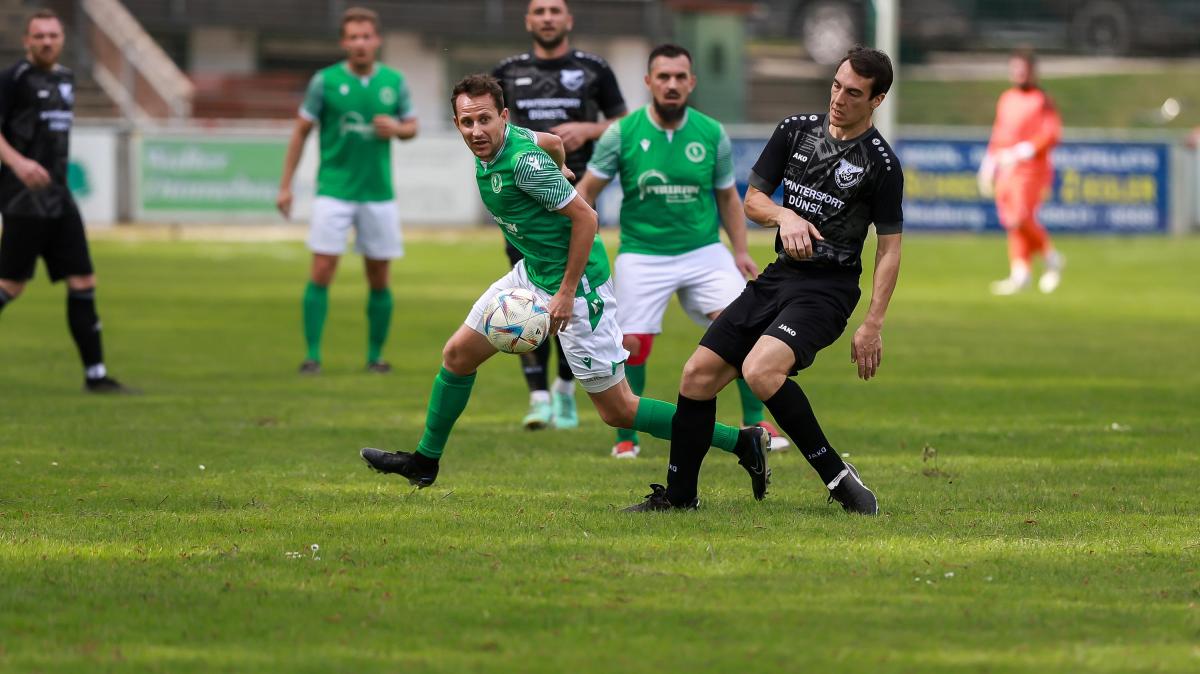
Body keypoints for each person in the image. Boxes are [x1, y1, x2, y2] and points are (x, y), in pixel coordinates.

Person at [360, 75, 770, 498]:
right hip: (533, 271)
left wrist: (567, 293)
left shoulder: (522, 163)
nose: (477, 131)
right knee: (457, 354)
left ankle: (741, 442)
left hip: (579, 287)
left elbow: (587, 218)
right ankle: (425, 461)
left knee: (618, 410)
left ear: (503, 117)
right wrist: (559, 163)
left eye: (485, 120)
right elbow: (554, 140)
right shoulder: (504, 142)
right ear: (457, 122)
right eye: (467, 122)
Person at [625, 47, 904, 515]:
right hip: (777, 280)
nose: (838, 98)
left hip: (827, 292)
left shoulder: (881, 164)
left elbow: (890, 249)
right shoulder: (795, 131)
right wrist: (784, 215)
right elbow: (752, 199)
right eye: (836, 85)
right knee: (696, 377)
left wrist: (873, 322)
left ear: (876, 100)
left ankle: (838, 478)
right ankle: (679, 498)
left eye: (853, 93)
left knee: (760, 370)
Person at [576, 44, 789, 459]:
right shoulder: (620, 134)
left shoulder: (711, 133)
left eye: (679, 77)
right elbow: (586, 193)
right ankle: (627, 436)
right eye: (663, 77)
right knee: (633, 344)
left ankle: (757, 420)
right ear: (649, 82)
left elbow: (728, 198)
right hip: (642, 252)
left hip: (704, 251)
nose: (671, 84)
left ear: (691, 82)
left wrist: (740, 250)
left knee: (742, 325)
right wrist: (581, 242)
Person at [492, 0, 627, 431]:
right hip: (522, 201)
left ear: (568, 20)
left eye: (555, 10)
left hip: (576, 193)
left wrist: (588, 130)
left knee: (572, 289)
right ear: (528, 20)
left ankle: (567, 393)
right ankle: (538, 396)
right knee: (526, 296)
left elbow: (623, 122)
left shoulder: (594, 68)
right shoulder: (507, 72)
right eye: (539, 10)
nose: (547, 17)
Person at [276, 6, 417, 374]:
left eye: (366, 36)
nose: (360, 43)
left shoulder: (394, 81)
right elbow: (301, 131)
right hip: (334, 190)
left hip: (378, 193)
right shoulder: (324, 81)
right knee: (322, 270)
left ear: (377, 40)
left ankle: (375, 356)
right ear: (344, 42)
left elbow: (412, 125)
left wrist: (399, 129)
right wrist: (286, 185)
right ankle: (312, 355)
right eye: (353, 37)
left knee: (379, 277)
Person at [0, 9, 132, 393]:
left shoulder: (66, 79)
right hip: (24, 198)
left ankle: (96, 376)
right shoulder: (12, 79)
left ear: (61, 39)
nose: (46, 42)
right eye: (39, 36)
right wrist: (19, 163)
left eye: (53, 35)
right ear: (26, 40)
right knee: (10, 285)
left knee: (83, 280)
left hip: (60, 197)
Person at [977, 48, 1064, 295]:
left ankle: (1051, 256)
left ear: (1033, 72)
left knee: (1020, 217)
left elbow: (1052, 133)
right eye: (1015, 69)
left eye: (1023, 69)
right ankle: (1021, 273)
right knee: (1012, 222)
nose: (1019, 73)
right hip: (1006, 167)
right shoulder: (1006, 98)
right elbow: (999, 132)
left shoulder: (1042, 100)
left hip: (1031, 169)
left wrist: (1025, 150)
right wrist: (989, 162)